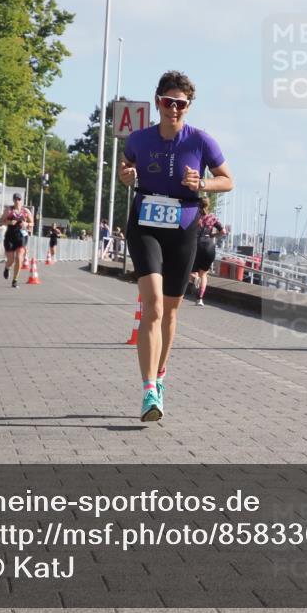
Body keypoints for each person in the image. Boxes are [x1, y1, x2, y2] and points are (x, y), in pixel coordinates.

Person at [119, 70, 234, 422]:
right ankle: (149, 389)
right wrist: (125, 175)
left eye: (181, 104)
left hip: (183, 227)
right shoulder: (139, 139)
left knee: (170, 311)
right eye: (168, 102)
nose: (174, 109)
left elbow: (228, 181)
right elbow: (127, 167)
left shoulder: (201, 141)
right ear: (157, 102)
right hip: (145, 225)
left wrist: (203, 184)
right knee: (152, 307)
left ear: (189, 106)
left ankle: (162, 373)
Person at [190, 197, 225, 306]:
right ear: (208, 205)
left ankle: (194, 278)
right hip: (209, 245)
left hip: (195, 244)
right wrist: (213, 235)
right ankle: (200, 299)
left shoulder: (194, 217)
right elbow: (223, 231)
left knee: (191, 271)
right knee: (204, 274)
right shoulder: (212, 217)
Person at [2, 193, 32, 288]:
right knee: (11, 260)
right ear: (13, 200)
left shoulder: (25, 211)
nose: (17, 201)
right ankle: (7, 268)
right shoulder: (9, 210)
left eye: (19, 199)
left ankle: (15, 280)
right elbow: (1, 221)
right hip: (10, 236)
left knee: (19, 258)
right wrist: (9, 222)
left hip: (21, 236)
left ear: (21, 200)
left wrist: (26, 224)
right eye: (15, 199)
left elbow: (32, 223)